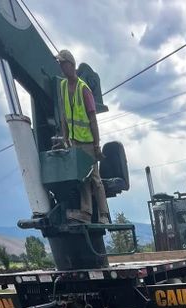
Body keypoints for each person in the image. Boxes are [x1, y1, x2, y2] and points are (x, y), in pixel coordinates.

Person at [57, 49, 110, 224]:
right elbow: (64, 115)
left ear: (71, 65)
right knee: (83, 179)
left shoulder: (84, 89)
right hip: (74, 142)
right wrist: (65, 139)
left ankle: (104, 215)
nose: (61, 67)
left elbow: (93, 119)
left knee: (95, 178)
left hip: (87, 141)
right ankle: (86, 213)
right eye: (59, 64)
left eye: (63, 63)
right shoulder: (63, 87)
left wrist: (96, 145)